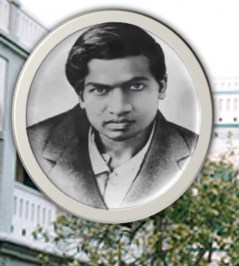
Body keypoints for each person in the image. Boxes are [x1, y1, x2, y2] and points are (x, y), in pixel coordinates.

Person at [27, 22, 197, 210]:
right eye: (100, 89)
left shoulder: (193, 152)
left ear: (162, 86)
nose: (119, 108)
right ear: (81, 95)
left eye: (135, 86)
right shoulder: (34, 142)